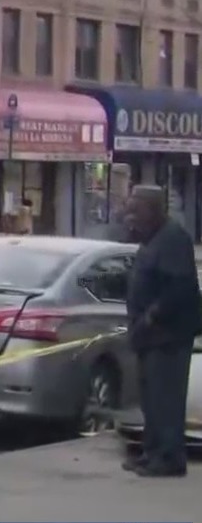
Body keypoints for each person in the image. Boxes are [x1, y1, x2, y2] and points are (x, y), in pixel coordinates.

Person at [121, 184, 200, 477]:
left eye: (136, 211)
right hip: (147, 336)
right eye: (129, 211)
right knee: (150, 398)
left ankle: (169, 458)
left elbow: (178, 288)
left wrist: (152, 317)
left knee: (166, 398)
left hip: (167, 335)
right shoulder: (149, 239)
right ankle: (151, 452)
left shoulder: (173, 239)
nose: (131, 217)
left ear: (155, 211)